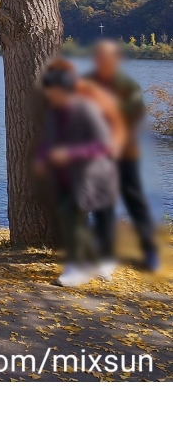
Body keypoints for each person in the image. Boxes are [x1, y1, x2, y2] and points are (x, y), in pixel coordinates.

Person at [35, 60, 119, 287]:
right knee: (70, 216)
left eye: (53, 92)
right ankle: (99, 262)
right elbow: (49, 140)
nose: (50, 96)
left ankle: (79, 268)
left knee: (72, 214)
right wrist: (42, 159)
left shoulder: (87, 111)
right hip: (67, 177)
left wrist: (70, 153)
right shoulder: (55, 113)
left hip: (93, 176)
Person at [86, 40, 159, 272]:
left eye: (107, 57)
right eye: (99, 57)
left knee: (133, 200)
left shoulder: (128, 86)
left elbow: (133, 117)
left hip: (125, 153)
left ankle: (149, 251)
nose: (102, 61)